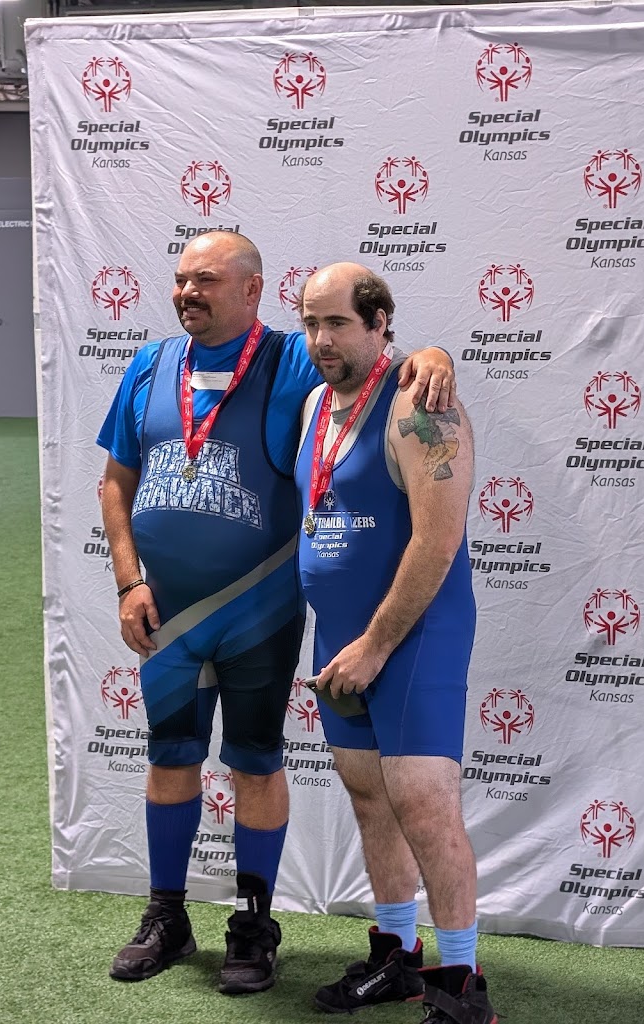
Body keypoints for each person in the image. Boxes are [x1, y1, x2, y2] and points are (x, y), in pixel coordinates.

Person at [96, 231, 455, 994]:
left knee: (255, 759)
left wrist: (434, 356)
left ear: (252, 290)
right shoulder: (149, 365)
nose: (187, 292)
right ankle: (166, 917)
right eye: (181, 279)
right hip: (168, 614)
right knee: (169, 755)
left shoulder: (294, 358)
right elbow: (114, 480)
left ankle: (253, 925)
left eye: (205, 279)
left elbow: (373, 361)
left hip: (258, 609)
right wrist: (128, 582)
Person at [295, 264, 498, 1024]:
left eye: (338, 323)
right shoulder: (316, 400)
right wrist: (349, 644)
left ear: (380, 324)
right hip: (341, 639)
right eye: (311, 323)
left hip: (411, 638)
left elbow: (437, 541)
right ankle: (396, 956)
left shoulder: (420, 405)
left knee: (423, 805)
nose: (321, 340)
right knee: (369, 796)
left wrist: (377, 646)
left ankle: (462, 983)